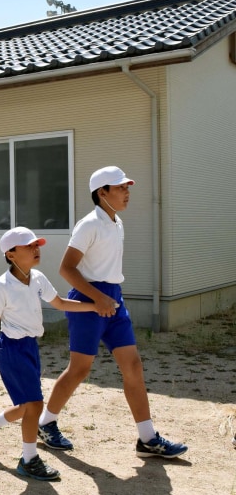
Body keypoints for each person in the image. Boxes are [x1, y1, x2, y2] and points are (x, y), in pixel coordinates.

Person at [37, 166, 188, 459]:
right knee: (80, 369)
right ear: (101, 193)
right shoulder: (88, 224)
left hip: (114, 301)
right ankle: (46, 423)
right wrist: (98, 300)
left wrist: (110, 300)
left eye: (127, 187)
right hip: (88, 301)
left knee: (133, 366)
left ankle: (147, 438)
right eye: (120, 188)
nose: (127, 192)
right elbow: (66, 269)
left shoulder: (117, 222)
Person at [0, 227, 100, 481]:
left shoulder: (38, 278)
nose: (36, 249)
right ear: (10, 254)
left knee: (27, 406)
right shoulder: (0, 286)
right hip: (11, 350)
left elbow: (61, 303)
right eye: (28, 246)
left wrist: (94, 306)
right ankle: (29, 459)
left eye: (36, 245)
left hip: (30, 347)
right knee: (35, 405)